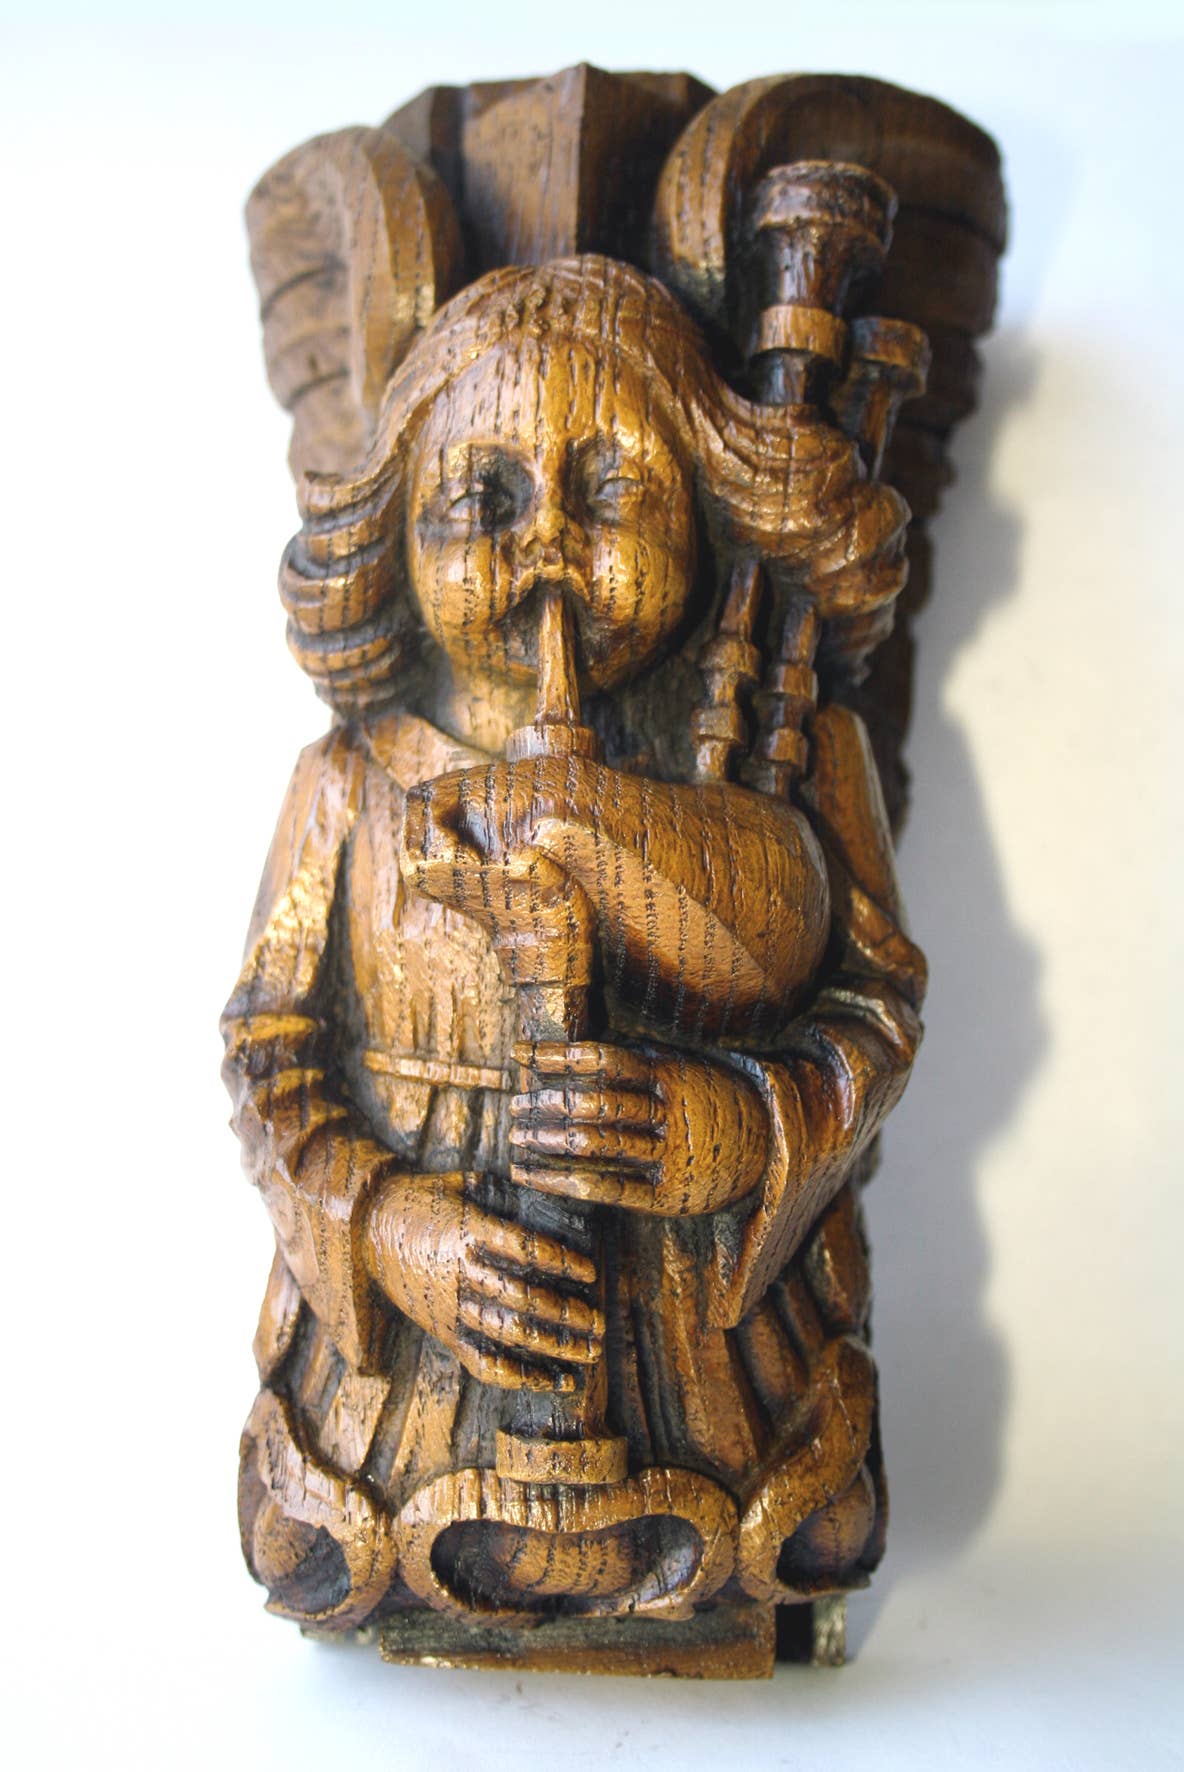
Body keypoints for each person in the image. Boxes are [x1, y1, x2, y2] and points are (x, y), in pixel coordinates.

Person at [224, 255, 926, 1628]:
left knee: (808, 1522)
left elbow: (875, 1017)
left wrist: (734, 1129)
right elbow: (268, 1057)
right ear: (392, 538)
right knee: (310, 1538)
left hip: (703, 1359)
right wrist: (392, 1230)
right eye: (480, 501)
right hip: (423, 1375)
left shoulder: (793, 757)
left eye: (610, 493)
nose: (546, 545)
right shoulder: (349, 782)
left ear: (713, 514)